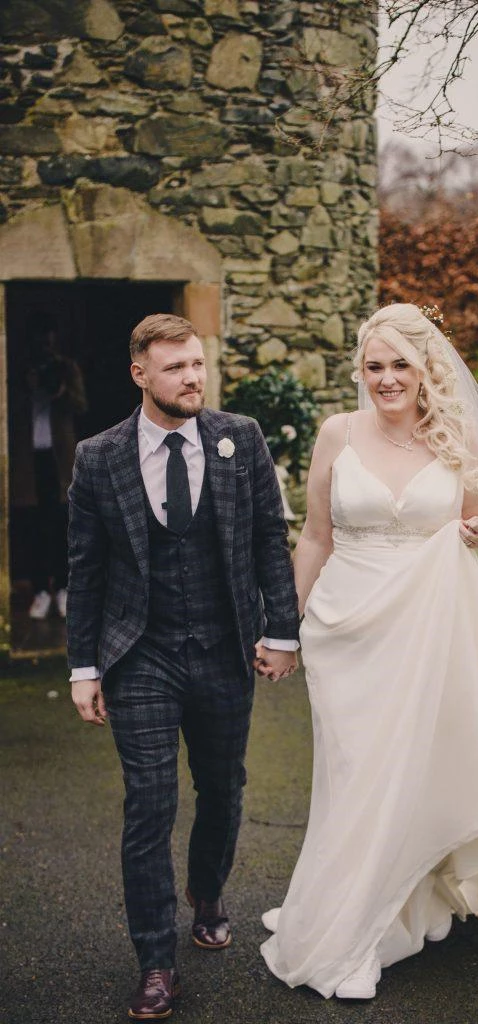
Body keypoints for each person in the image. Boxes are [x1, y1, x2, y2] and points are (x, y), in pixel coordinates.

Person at [260, 303, 478, 1000]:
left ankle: (388, 920)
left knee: (413, 772)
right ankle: (353, 919)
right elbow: (317, 538)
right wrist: (283, 628)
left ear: (427, 370)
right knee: (356, 777)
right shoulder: (337, 434)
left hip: (429, 630)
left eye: (400, 365)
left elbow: (472, 526)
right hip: (345, 631)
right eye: (374, 366)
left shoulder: (453, 441)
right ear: (360, 370)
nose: (386, 379)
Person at [67, 313, 299, 1021]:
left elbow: (268, 539)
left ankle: (209, 890)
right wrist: (84, 665)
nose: (192, 378)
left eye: (198, 365)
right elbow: (86, 568)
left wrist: (282, 632)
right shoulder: (98, 457)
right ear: (141, 373)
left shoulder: (241, 439)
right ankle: (156, 962)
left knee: (223, 787)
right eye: (175, 368)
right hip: (141, 653)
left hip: (224, 647)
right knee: (150, 804)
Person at [10, 313, 86, 619]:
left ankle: (64, 589)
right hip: (29, 461)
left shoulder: (65, 368)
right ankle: (40, 590)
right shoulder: (20, 372)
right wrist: (28, 387)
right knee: (34, 527)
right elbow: (10, 411)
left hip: (60, 461)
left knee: (63, 526)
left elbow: (82, 407)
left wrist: (61, 390)